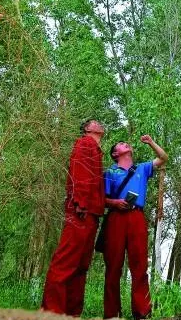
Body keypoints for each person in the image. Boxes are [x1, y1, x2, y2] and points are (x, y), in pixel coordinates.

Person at [41, 119, 105, 316]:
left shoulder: (96, 150)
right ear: (87, 129)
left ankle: (71, 312)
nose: (100, 124)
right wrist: (80, 203)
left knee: (81, 266)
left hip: (91, 214)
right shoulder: (85, 143)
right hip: (81, 211)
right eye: (95, 122)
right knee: (66, 262)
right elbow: (80, 173)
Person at [103, 134, 168, 320]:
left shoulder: (142, 168)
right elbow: (102, 200)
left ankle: (142, 313)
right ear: (116, 154)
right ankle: (111, 314)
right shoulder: (110, 173)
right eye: (122, 144)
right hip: (116, 218)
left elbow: (164, 158)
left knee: (139, 266)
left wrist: (151, 143)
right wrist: (115, 202)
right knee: (113, 267)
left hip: (137, 217)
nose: (126, 144)